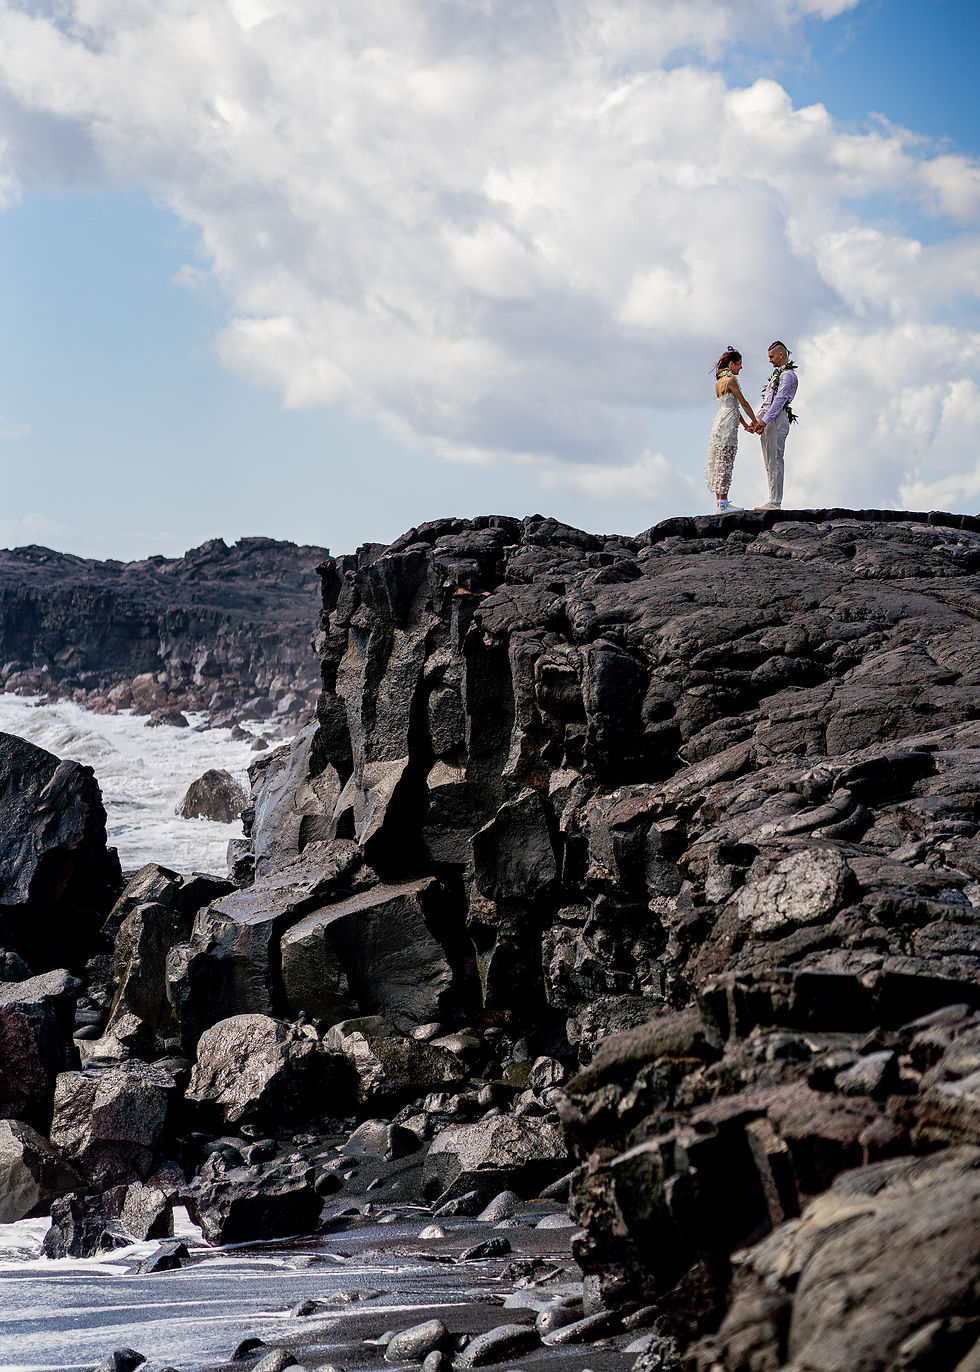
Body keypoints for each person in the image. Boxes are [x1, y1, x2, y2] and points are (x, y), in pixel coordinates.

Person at [705, 346, 757, 513]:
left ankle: (721, 502)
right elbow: (743, 403)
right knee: (725, 461)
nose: (740, 367)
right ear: (732, 364)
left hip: (721, 420)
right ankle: (723, 504)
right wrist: (755, 422)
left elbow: (731, 406)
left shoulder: (718, 382)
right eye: (739, 364)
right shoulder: (731, 381)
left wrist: (745, 425)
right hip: (728, 423)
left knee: (720, 460)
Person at [751, 340, 798, 510]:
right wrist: (757, 420)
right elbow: (767, 402)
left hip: (778, 419)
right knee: (768, 460)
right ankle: (772, 498)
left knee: (776, 459)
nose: (770, 360)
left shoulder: (788, 375)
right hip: (770, 419)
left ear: (781, 355)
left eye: (771, 356)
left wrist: (764, 421)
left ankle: (775, 501)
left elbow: (779, 400)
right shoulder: (776, 376)